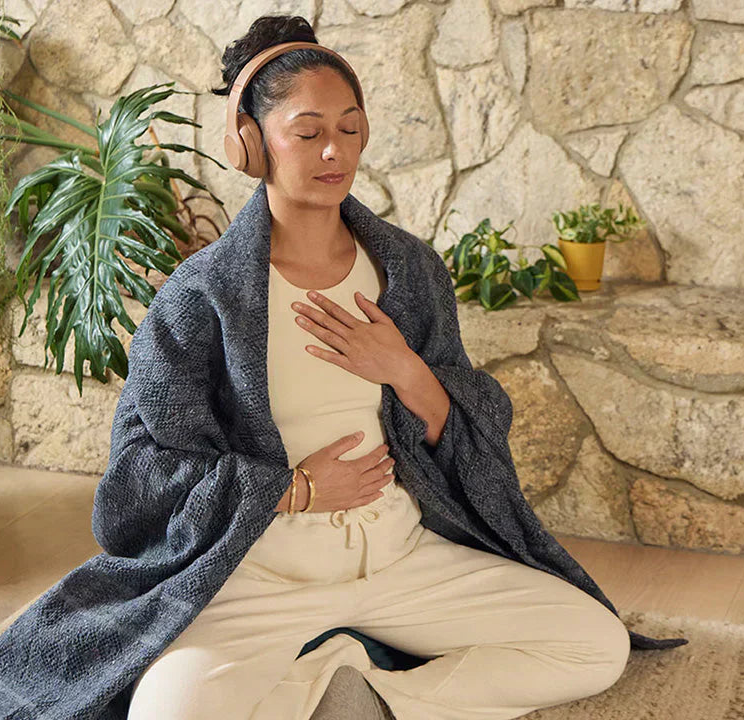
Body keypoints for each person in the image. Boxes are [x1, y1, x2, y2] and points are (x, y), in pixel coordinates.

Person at [126, 14, 632, 720]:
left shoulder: (408, 270)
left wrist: (404, 369)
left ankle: (378, 697)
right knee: (163, 715)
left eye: (350, 128)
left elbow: (474, 425)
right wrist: (295, 489)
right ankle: (320, 675)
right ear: (250, 143)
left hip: (399, 559)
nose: (335, 151)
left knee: (597, 644)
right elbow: (142, 474)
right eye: (308, 133)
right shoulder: (201, 294)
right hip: (265, 574)